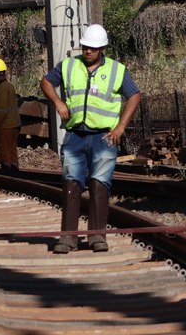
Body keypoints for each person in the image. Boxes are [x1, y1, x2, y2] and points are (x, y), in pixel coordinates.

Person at [40, 24, 142, 253]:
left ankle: (97, 236)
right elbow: (46, 82)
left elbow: (134, 95)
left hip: (103, 137)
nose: (88, 52)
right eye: (85, 47)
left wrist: (121, 128)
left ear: (102, 48)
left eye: (93, 48)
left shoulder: (117, 70)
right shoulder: (68, 66)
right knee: (71, 184)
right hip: (75, 135)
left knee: (99, 185)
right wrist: (58, 102)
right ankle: (68, 237)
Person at [0, 57, 23, 177]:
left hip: (6, 126)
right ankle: (16, 177)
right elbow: (3, 105)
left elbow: (2, 111)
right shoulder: (9, 86)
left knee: (4, 155)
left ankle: (9, 179)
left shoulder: (2, 89)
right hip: (15, 125)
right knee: (12, 153)